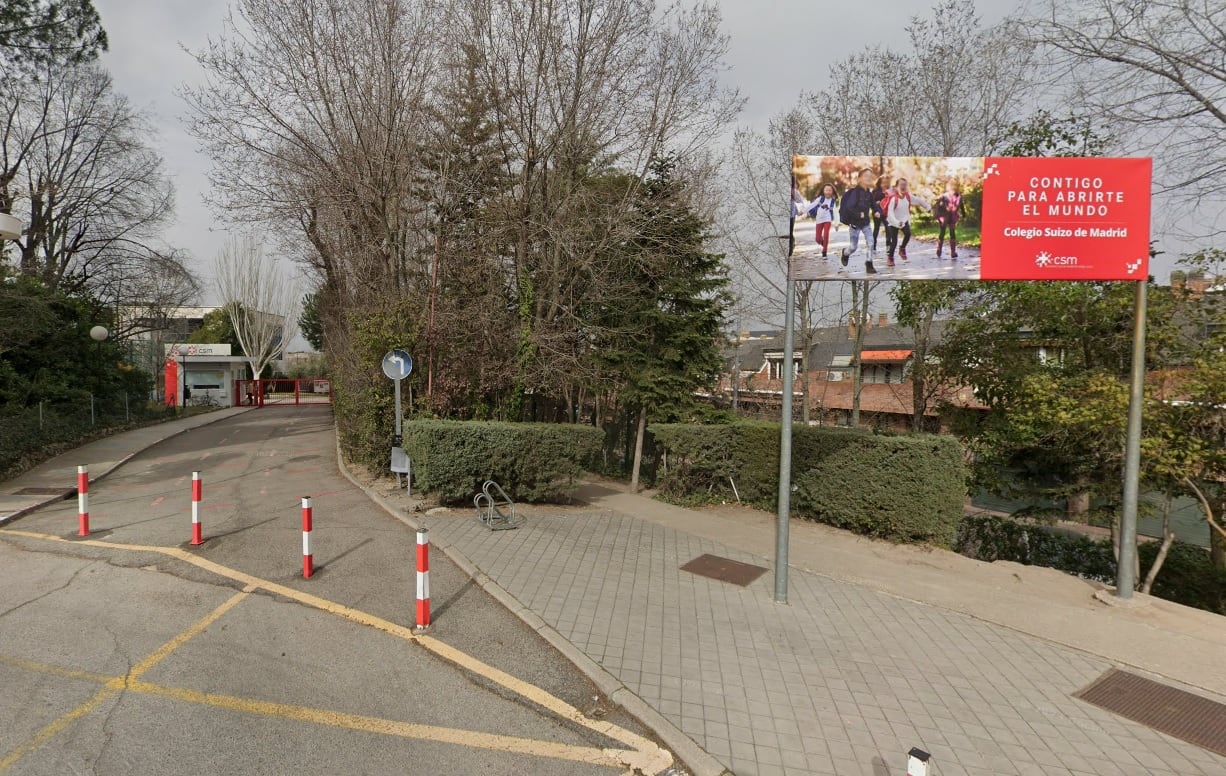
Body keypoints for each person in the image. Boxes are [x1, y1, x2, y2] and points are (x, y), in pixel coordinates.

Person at [882, 178, 930, 267]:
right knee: (894, 241)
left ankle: (902, 248)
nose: (903, 187)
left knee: (908, 234)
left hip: (904, 220)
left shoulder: (908, 197)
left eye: (905, 185)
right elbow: (890, 214)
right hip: (893, 222)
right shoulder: (893, 199)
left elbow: (918, 200)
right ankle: (890, 257)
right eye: (901, 185)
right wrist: (896, 222)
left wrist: (927, 207)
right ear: (896, 187)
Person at [839, 169, 878, 273]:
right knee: (853, 247)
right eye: (866, 176)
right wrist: (858, 214)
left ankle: (869, 263)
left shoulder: (869, 194)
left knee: (870, 242)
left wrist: (877, 211)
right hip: (855, 224)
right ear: (859, 179)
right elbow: (849, 207)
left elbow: (874, 205)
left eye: (870, 176)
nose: (868, 177)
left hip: (865, 223)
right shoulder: (855, 193)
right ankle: (845, 253)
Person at [934, 181, 965, 259]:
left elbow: (961, 206)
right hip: (945, 216)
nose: (953, 190)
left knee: (949, 232)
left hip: (950, 216)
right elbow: (938, 206)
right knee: (945, 232)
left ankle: (950, 251)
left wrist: (964, 215)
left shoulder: (956, 196)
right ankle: (942, 250)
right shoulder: (946, 196)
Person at [807, 183, 838, 257]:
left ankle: (824, 251)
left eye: (830, 190)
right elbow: (812, 205)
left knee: (826, 234)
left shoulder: (833, 201)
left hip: (828, 219)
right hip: (819, 220)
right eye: (826, 190)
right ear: (823, 191)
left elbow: (836, 213)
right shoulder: (820, 199)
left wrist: (836, 224)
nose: (828, 192)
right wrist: (803, 211)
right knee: (818, 239)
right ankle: (824, 244)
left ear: (832, 192)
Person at [871, 177, 890, 251]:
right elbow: (871, 202)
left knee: (888, 228)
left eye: (886, 182)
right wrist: (876, 204)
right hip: (877, 212)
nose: (884, 184)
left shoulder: (889, 191)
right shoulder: (875, 191)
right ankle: (873, 245)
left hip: (886, 212)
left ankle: (888, 245)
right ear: (879, 183)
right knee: (876, 228)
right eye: (883, 183)